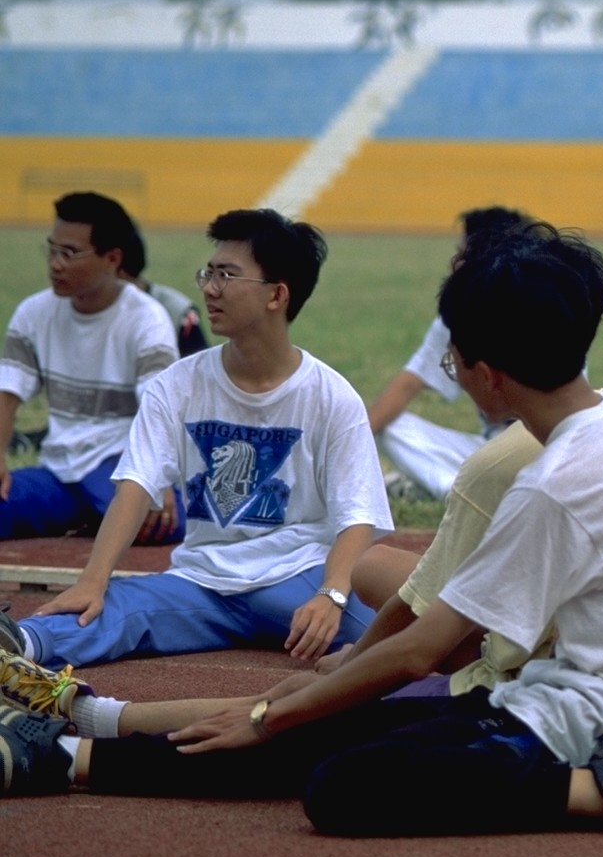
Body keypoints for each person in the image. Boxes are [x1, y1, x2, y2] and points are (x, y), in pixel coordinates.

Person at [1, 222, 603, 838]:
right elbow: (415, 643)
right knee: (322, 723)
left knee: (347, 784)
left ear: (487, 373)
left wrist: (276, 708)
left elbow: (423, 649)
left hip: (588, 723)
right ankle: (66, 754)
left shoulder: (556, 485)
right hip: (576, 692)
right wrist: (312, 694)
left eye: (453, 360)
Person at [0, 208, 389, 670]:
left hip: (299, 578)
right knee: (106, 611)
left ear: (277, 295)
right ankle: (17, 647)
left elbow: (358, 516)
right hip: (201, 584)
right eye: (208, 272)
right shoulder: (177, 384)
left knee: (392, 644)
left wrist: (332, 594)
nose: (208, 288)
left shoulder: (331, 397)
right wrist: (92, 579)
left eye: (226, 275)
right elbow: (136, 484)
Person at [1, 191, 182, 544]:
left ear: (112, 258)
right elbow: (7, 394)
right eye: (52, 250)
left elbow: (160, 410)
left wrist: (158, 482)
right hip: (57, 470)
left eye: (69, 253)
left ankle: (98, 513)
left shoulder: (146, 319)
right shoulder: (33, 313)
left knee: (157, 524)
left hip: (118, 466)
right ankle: (86, 514)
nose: (55, 263)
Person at [368, 206, 529, 500]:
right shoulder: (457, 312)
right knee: (391, 427)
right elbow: (408, 383)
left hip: (540, 447)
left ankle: (460, 488)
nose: (454, 264)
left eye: (461, 253)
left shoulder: (547, 307)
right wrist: (344, 455)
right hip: (489, 447)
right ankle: (457, 488)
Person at [113, 211, 210, 359]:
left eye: (72, 254)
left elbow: (200, 373)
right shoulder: (72, 308)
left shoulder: (177, 313)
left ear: (115, 261)